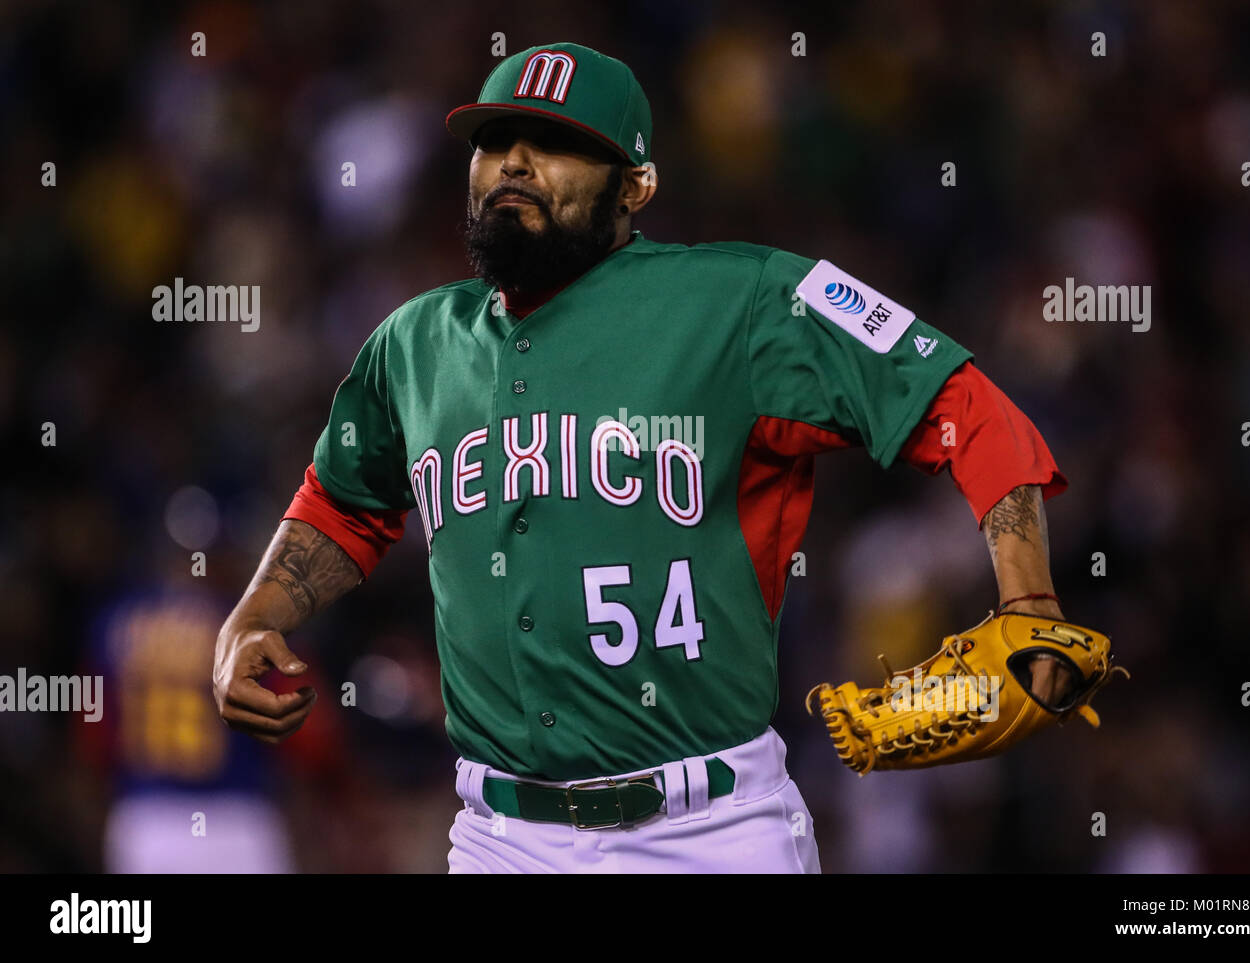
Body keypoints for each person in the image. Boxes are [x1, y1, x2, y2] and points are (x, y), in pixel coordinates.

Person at [213, 42, 1071, 874]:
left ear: (636, 186)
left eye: (555, 142)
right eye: (494, 140)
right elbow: (343, 503)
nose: (514, 160)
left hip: (712, 827)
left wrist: (1027, 593)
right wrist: (260, 615)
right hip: (499, 835)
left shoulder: (742, 301)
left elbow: (956, 401)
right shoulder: (413, 343)